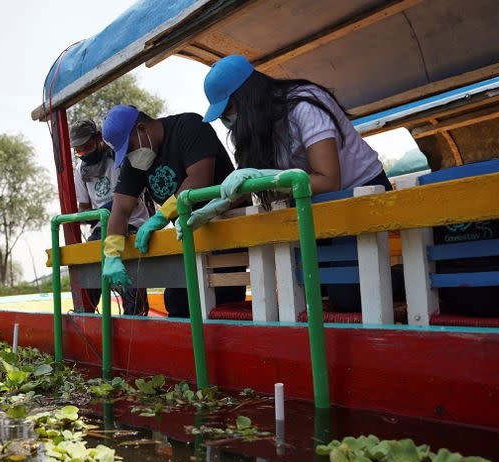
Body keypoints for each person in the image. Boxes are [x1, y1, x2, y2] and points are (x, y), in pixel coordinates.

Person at [190, 55, 393, 313]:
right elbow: (244, 183)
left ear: (246, 98)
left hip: (359, 195)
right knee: (307, 290)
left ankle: (400, 276)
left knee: (348, 297)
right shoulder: (260, 129)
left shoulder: (304, 105)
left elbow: (329, 180)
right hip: (316, 207)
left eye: (227, 111)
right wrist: (212, 208)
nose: (225, 121)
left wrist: (269, 178)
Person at [100, 105, 245, 317]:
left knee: (222, 303)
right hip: (188, 234)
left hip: (225, 227)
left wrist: (161, 216)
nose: (130, 156)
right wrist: (112, 253)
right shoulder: (137, 160)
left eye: (129, 148)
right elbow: (121, 208)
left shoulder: (189, 126)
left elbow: (199, 179)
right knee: (177, 302)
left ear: (142, 129)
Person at [70, 118, 149, 316]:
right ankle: (87, 318)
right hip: (102, 228)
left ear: (98, 139)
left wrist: (107, 209)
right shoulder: (80, 171)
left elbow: (130, 196)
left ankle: (135, 318)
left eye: (87, 147)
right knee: (87, 269)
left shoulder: (118, 157)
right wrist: (91, 215)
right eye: (79, 151)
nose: (84, 154)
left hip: (131, 223)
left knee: (130, 278)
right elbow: (84, 209)